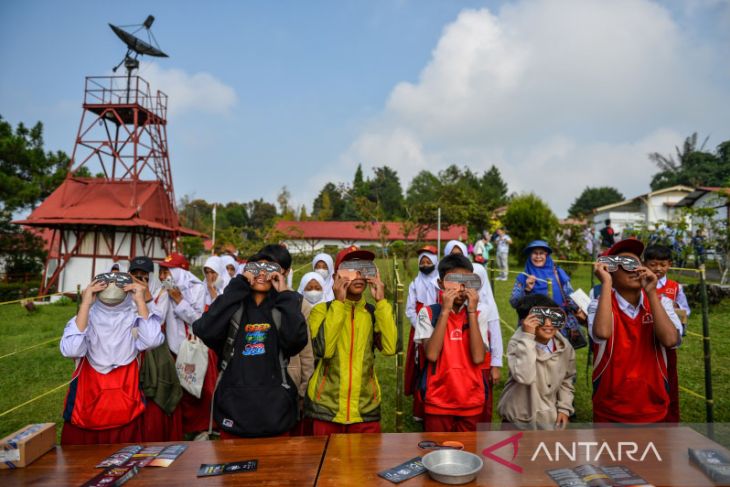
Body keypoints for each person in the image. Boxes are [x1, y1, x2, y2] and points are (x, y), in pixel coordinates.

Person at [192, 250, 309, 438]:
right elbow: (204, 329)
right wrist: (238, 284)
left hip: (275, 413)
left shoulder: (282, 308)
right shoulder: (233, 307)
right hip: (234, 410)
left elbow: (296, 340)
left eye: (269, 269)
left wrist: (285, 293)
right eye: (255, 268)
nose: (261, 273)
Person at [60, 272, 163, 444]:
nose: (113, 287)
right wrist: (85, 304)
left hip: (127, 415)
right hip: (86, 415)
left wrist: (140, 301)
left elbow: (152, 340)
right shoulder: (83, 320)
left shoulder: (135, 320)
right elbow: (72, 350)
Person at [305, 246, 398, 435]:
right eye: (349, 269)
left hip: (365, 407)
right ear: (335, 277)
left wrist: (381, 302)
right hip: (326, 407)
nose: (357, 276)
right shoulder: (321, 311)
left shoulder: (373, 313)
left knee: (364, 464)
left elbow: (390, 348)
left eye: (363, 269)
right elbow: (324, 350)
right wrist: (339, 303)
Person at [589, 238, 682, 423]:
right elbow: (602, 332)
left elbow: (671, 341)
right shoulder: (598, 305)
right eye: (622, 264)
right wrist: (606, 284)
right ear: (609, 271)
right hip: (610, 411)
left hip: (654, 408)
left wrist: (651, 293)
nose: (632, 269)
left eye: (635, 263)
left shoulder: (661, 302)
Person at [415, 254, 489, 432]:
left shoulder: (479, 313)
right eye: (454, 282)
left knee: (468, 453)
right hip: (438, 398)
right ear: (441, 284)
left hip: (471, 397)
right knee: (437, 453)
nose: (461, 289)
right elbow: (431, 354)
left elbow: (479, 357)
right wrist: (445, 311)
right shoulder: (428, 313)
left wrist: (471, 312)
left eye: (466, 282)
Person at [260, 243, 316, 435]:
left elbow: (306, 353)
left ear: (287, 271)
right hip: (258, 384)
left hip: (288, 382)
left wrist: (303, 390)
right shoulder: (254, 299)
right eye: (264, 267)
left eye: (276, 269)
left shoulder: (300, 304)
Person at [498, 294, 575, 429]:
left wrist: (564, 408)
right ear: (525, 321)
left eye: (553, 318)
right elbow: (525, 377)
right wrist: (528, 337)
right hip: (517, 421)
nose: (548, 324)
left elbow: (567, 379)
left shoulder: (565, 347)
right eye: (540, 318)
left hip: (548, 420)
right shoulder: (518, 343)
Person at [158, 252, 214, 435]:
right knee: (176, 389)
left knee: (194, 387)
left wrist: (179, 300)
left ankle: (200, 428)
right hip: (172, 348)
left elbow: (198, 319)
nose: (162, 276)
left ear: (178, 272)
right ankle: (178, 428)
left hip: (192, 348)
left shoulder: (197, 288)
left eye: (166, 272)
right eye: (161, 272)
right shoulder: (163, 289)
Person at [129, 256, 184, 442]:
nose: (139, 279)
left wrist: (145, 298)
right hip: (133, 347)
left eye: (143, 275)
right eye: (135, 275)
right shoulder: (126, 292)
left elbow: (158, 320)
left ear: (150, 276)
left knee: (157, 388)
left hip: (156, 349)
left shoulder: (162, 294)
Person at [643, 244, 691, 423]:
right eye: (653, 264)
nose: (658, 269)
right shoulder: (641, 284)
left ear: (669, 264)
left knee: (669, 379)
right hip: (647, 341)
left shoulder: (674, 287)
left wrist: (677, 309)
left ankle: (671, 419)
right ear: (644, 263)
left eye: (663, 265)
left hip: (667, 343)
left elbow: (685, 309)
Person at [509, 240, 586, 346]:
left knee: (558, 356)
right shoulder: (523, 276)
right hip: (534, 327)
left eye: (541, 253)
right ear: (530, 255)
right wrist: (526, 289)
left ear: (547, 255)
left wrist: (578, 309)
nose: (538, 256)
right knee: (535, 358)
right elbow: (514, 302)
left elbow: (570, 295)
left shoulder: (558, 273)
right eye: (535, 253)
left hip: (558, 324)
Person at [404, 245, 439, 421]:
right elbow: (410, 310)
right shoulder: (414, 284)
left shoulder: (440, 282)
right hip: (419, 331)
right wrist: (421, 326)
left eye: (428, 262)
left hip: (439, 329)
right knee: (420, 367)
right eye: (422, 262)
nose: (425, 264)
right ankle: (419, 409)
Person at [471, 264, 503, 423]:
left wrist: (495, 365)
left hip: (483, 362)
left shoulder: (489, 305)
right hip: (463, 360)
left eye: (476, 280)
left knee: (483, 399)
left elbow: (495, 336)